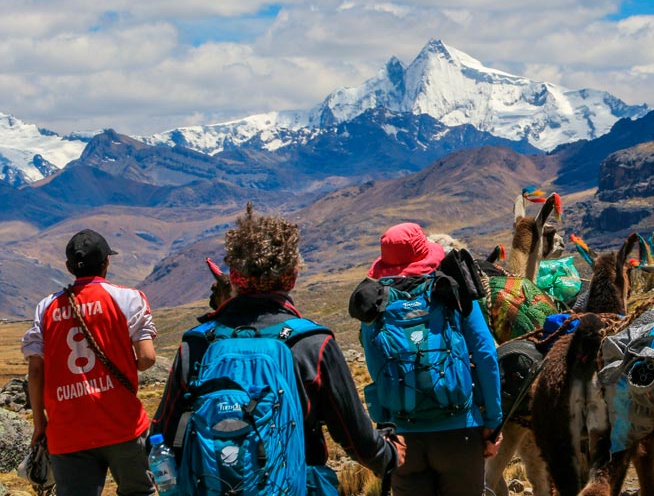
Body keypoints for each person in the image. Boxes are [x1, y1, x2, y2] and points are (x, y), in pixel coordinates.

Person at [151, 204, 404, 492]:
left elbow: (162, 433)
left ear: (233, 275)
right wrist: (389, 456)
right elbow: (355, 436)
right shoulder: (311, 343)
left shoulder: (197, 343)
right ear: (292, 276)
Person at [353, 222, 502, 496]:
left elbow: (376, 370)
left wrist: (388, 428)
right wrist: (493, 422)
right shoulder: (451, 290)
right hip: (460, 432)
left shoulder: (375, 306)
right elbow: (485, 355)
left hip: (404, 440)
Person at [22, 229, 158, 496]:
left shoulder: (46, 307)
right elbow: (147, 358)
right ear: (107, 262)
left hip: (67, 430)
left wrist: (40, 423)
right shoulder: (128, 298)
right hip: (123, 424)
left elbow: (36, 371)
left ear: (68, 267)